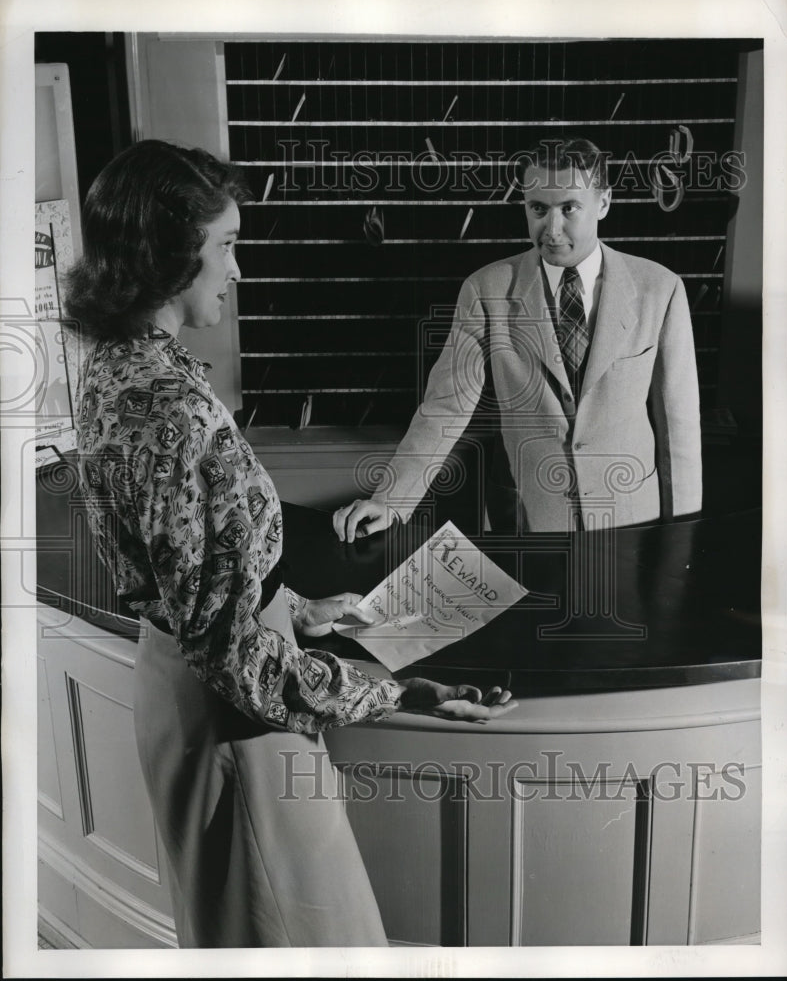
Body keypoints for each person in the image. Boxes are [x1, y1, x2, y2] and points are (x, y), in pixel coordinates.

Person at [67, 139, 517, 949]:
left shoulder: (118, 367)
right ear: (169, 256)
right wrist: (397, 694)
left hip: (187, 695)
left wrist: (297, 607)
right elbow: (230, 653)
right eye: (227, 246)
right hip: (237, 726)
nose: (238, 271)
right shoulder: (172, 407)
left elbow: (187, 577)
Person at [334, 137, 702, 541]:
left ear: (604, 203)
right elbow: (444, 407)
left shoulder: (660, 289)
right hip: (528, 522)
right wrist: (390, 500)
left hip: (633, 522)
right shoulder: (486, 290)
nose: (552, 229)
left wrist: (683, 535)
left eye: (569, 208)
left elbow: (678, 429)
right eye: (538, 209)